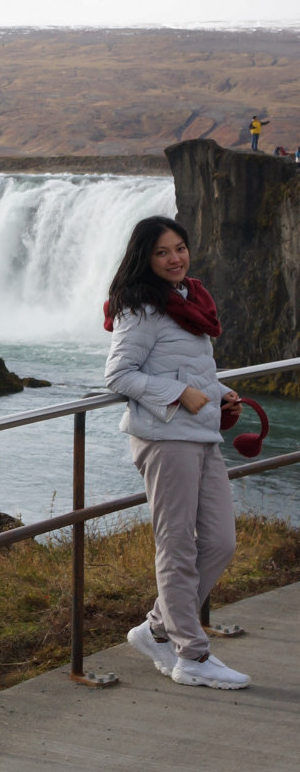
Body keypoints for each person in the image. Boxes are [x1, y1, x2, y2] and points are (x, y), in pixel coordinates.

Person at [104, 216, 249, 688]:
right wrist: (178, 393)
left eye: (180, 248)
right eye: (163, 252)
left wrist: (220, 391)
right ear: (145, 258)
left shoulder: (189, 300)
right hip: (165, 439)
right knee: (177, 545)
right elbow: (119, 375)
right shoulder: (141, 309)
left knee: (220, 541)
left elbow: (190, 367)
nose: (175, 258)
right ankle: (192, 655)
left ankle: (156, 629)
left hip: (201, 435)